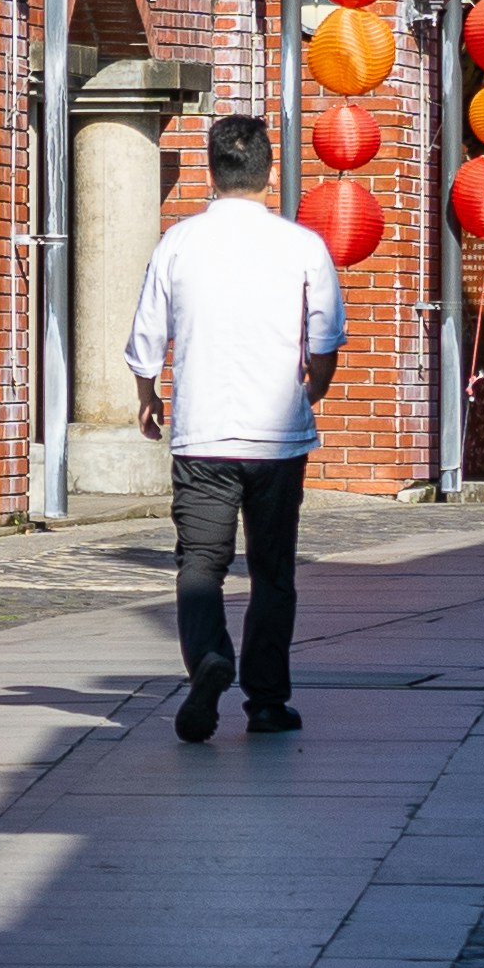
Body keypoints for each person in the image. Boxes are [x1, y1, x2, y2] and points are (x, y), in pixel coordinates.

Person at [124, 109, 346, 740]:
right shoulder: (303, 244)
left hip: (204, 435)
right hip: (278, 438)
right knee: (273, 570)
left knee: (200, 563)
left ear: (211, 169)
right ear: (269, 171)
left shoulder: (178, 242)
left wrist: (148, 396)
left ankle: (209, 659)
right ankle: (268, 701)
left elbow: (146, 335)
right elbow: (326, 335)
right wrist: (315, 388)